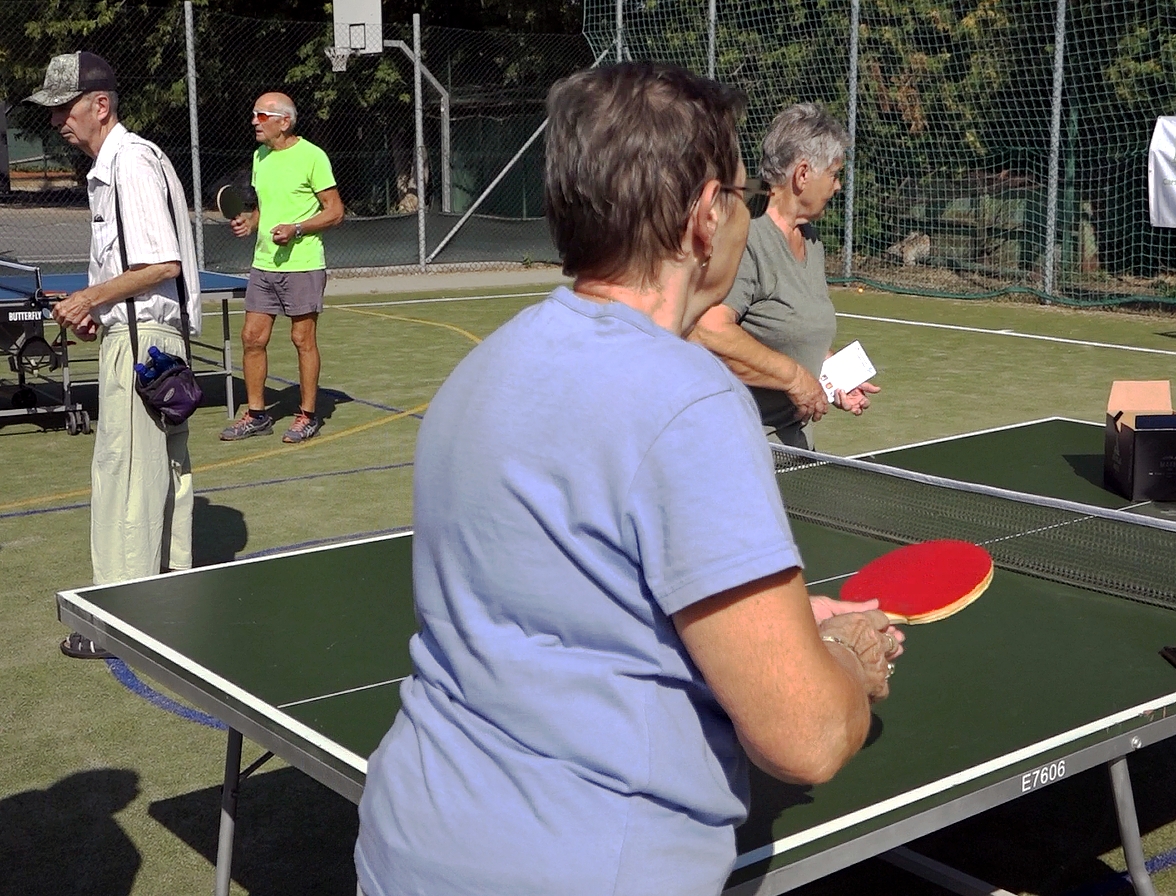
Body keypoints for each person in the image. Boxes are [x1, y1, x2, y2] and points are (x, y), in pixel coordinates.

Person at [354, 62, 904, 896]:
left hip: (408, 848)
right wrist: (843, 661)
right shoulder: (694, 403)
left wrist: (787, 624)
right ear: (704, 215)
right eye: (737, 195)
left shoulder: (482, 369)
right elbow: (808, 737)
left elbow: (564, 609)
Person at [27, 52, 200, 658]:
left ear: (100, 105)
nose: (57, 122)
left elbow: (162, 262)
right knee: (160, 473)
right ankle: (169, 596)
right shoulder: (120, 164)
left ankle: (122, 622)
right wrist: (94, 314)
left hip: (143, 342)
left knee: (124, 475)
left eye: (64, 108)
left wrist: (90, 298)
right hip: (144, 335)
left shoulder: (129, 163)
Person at [692, 102, 879, 450]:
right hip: (744, 448)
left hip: (794, 444)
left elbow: (791, 332)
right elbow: (707, 330)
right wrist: (792, 378)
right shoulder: (747, 238)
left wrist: (834, 377)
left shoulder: (811, 239)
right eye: (834, 174)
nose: (838, 186)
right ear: (803, 174)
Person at [220, 92, 343, 444]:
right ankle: (257, 415)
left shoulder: (313, 156)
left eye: (261, 115)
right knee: (251, 338)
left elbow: (335, 211)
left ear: (284, 121)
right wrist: (251, 222)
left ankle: (308, 415)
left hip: (303, 265)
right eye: (254, 114)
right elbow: (266, 206)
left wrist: (297, 229)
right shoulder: (260, 156)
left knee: (302, 339)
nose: (254, 121)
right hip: (263, 265)